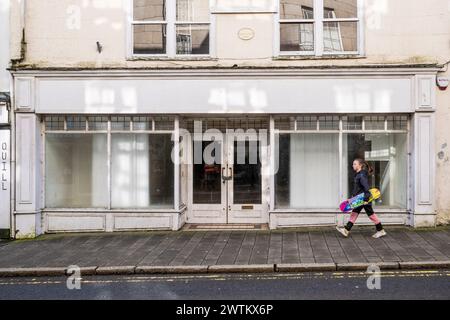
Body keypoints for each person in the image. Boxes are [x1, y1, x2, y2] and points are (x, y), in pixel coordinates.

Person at [336, 158, 387, 239]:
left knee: (371, 215)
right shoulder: (359, 174)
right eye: (353, 164)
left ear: (360, 165)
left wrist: (366, 200)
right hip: (359, 198)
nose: (353, 165)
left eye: (355, 164)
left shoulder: (361, 175)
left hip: (364, 199)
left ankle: (381, 230)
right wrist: (352, 198)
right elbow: (358, 189)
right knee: (354, 213)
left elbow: (367, 189)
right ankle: (346, 230)